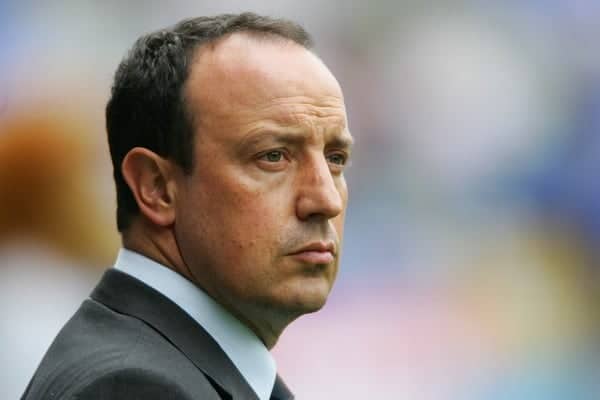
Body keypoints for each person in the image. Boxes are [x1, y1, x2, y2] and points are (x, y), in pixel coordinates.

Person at [22, 12, 353, 400]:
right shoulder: (135, 389)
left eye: (335, 159)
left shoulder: (175, 368)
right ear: (157, 187)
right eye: (273, 156)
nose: (325, 200)